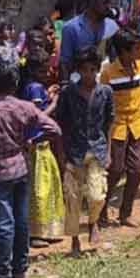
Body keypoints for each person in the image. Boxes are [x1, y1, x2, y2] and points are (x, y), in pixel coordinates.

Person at [0, 61, 61, 278]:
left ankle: (0, 277)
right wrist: (30, 140)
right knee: (21, 222)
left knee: (4, 225)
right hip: (21, 168)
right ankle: (19, 270)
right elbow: (54, 129)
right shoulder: (25, 107)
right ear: (14, 83)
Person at [56, 47, 114, 256]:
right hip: (74, 150)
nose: (88, 74)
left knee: (97, 195)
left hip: (97, 149)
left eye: (91, 70)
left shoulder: (105, 92)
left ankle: (93, 222)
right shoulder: (68, 93)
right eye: (84, 70)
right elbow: (61, 123)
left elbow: (109, 122)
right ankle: (74, 240)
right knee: (72, 198)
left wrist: (108, 151)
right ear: (78, 71)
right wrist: (61, 153)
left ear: (97, 70)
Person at [99, 29, 140, 228]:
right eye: (135, 48)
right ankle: (101, 211)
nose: (139, 51)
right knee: (115, 171)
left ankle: (125, 213)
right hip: (117, 127)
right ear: (123, 52)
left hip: (138, 125)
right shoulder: (108, 73)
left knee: (136, 170)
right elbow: (103, 106)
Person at [20, 49, 64, 246]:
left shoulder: (32, 86)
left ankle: (45, 230)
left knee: (45, 185)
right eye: (44, 71)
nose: (47, 74)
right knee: (40, 188)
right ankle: (36, 232)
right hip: (37, 142)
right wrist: (54, 102)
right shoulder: (35, 88)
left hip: (41, 143)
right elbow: (37, 115)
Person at [59, 0, 119, 83]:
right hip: (78, 84)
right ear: (92, 2)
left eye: (109, 3)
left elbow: (115, 58)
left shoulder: (112, 26)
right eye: (105, 3)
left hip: (105, 83)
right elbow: (65, 62)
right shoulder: (71, 28)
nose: (109, 6)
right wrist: (65, 87)